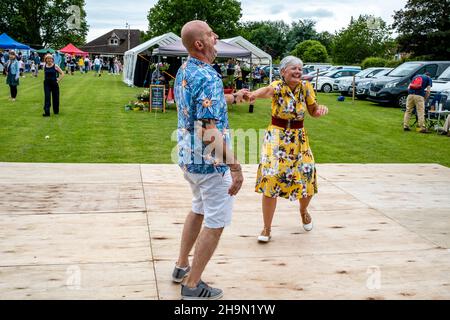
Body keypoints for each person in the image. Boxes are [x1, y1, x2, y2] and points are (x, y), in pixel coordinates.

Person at [173, 20, 247, 300]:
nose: (216, 37)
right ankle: (192, 285)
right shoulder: (208, 77)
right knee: (216, 222)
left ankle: (181, 266)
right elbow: (208, 132)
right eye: (211, 34)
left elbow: (197, 107)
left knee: (198, 209)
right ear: (200, 44)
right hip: (210, 164)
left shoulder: (185, 70)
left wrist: (230, 97)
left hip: (188, 160)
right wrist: (236, 167)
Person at [244, 56, 329, 243]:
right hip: (277, 137)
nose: (298, 71)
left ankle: (303, 210)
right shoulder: (277, 86)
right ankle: (266, 228)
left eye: (300, 68)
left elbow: (313, 110)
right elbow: (266, 91)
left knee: (307, 175)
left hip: (299, 137)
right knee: (271, 177)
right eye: (293, 68)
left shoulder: (306, 87)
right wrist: (254, 95)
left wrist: (320, 109)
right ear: (283, 71)